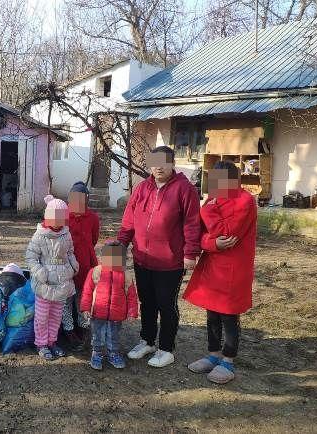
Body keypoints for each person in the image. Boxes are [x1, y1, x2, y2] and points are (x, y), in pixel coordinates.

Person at [117, 146, 201, 368]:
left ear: (172, 163)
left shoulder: (185, 189)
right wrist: (122, 243)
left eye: (164, 162)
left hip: (170, 262)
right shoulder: (142, 188)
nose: (159, 167)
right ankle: (147, 341)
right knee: (147, 302)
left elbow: (192, 223)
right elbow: (129, 219)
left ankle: (166, 348)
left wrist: (191, 253)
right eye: (155, 162)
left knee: (166, 304)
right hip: (142, 258)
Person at [184, 161, 257, 384]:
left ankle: (228, 360)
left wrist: (208, 211)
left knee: (229, 315)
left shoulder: (245, 201)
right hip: (212, 266)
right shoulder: (213, 199)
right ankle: (213, 354)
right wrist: (211, 243)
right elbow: (202, 235)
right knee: (212, 313)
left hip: (234, 269)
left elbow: (226, 233)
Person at [26, 195, 79, 361]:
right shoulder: (39, 235)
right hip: (45, 284)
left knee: (56, 316)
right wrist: (42, 274)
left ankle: (52, 341)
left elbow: (70, 252)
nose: (58, 221)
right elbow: (31, 258)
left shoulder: (66, 234)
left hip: (62, 282)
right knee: (42, 317)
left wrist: (73, 266)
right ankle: (41, 344)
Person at [80, 240, 138, 370]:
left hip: (116, 314)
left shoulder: (126, 275)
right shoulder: (96, 272)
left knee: (113, 336)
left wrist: (132, 312)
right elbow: (87, 291)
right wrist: (85, 308)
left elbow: (131, 296)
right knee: (97, 335)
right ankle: (97, 353)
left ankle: (113, 354)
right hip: (97, 313)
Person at [62, 181, 100, 352]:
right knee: (66, 300)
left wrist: (86, 252)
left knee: (83, 298)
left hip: (86, 266)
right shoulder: (62, 216)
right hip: (65, 267)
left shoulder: (92, 218)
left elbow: (94, 239)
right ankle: (68, 331)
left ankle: (83, 329)